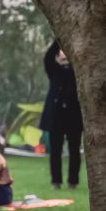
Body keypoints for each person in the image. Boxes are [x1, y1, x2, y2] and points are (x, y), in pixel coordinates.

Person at [42, 40, 82, 189]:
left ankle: (73, 181)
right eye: (61, 53)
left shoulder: (78, 71)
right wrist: (60, 39)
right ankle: (56, 181)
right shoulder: (54, 70)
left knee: (74, 151)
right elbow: (48, 57)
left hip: (74, 117)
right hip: (56, 117)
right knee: (55, 151)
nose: (64, 56)